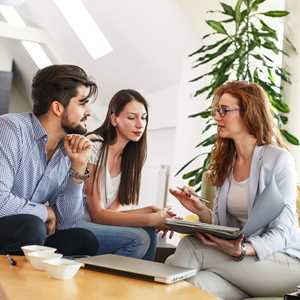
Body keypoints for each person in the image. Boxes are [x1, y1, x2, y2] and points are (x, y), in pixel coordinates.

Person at [167, 81, 300, 299]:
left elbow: (283, 232)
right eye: (216, 110)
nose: (217, 117)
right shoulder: (227, 163)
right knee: (193, 284)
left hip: (284, 261)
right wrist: (200, 210)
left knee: (190, 247)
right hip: (245, 266)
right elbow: (227, 230)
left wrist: (243, 251)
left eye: (224, 110)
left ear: (249, 113)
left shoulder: (278, 159)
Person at [0, 64, 99, 256]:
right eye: (82, 103)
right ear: (57, 107)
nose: (88, 112)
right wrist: (46, 213)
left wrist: (78, 171)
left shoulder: (68, 149)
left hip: (30, 232)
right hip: (16, 227)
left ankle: (44, 284)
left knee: (84, 239)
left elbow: (68, 222)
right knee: (32, 226)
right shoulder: (10, 129)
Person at [78, 89, 174, 260]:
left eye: (143, 118)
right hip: (78, 223)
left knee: (150, 232)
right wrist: (151, 219)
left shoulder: (130, 159)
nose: (140, 124)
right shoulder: (94, 147)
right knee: (140, 238)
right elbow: (98, 215)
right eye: (131, 117)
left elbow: (112, 213)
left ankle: (142, 285)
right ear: (114, 119)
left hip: (97, 222)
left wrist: (152, 212)